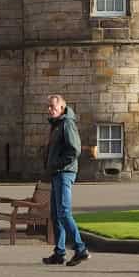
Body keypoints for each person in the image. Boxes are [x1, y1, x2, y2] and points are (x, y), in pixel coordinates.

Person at [41, 94, 88, 266]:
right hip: (56, 173)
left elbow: (74, 149)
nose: (49, 109)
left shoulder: (67, 123)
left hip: (64, 173)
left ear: (61, 108)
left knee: (64, 212)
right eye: (48, 106)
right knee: (55, 214)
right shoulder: (57, 125)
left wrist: (58, 164)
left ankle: (80, 248)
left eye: (52, 106)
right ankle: (59, 252)